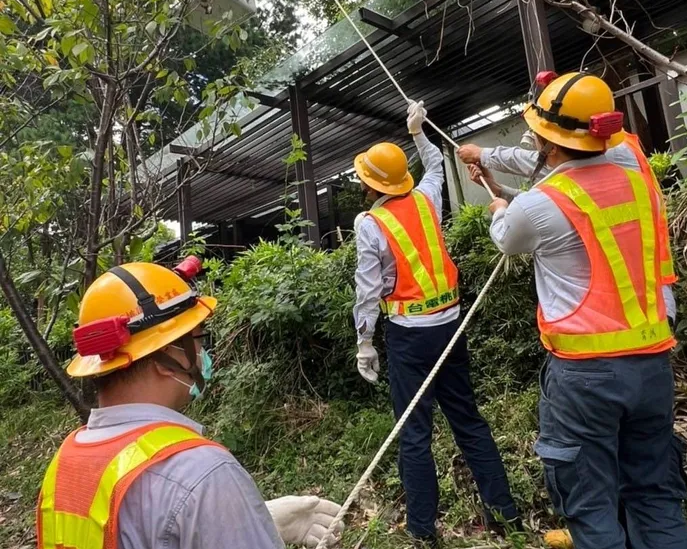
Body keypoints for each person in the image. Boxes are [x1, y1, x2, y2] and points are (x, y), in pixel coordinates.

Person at [458, 72, 687, 549]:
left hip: (585, 378)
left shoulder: (539, 206)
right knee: (654, 495)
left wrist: (498, 204)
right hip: (651, 366)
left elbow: (507, 235)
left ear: (549, 139)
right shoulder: (639, 180)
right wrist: (494, 166)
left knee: (590, 506)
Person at [37, 257, 343, 549]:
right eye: (198, 341)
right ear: (169, 356)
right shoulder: (202, 472)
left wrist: (251, 521)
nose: (203, 355)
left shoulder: (64, 465)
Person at [352, 100, 520, 545]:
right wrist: (418, 132)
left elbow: (368, 291)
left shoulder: (370, 224)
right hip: (451, 327)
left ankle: (423, 532)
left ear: (370, 185)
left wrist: (365, 342)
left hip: (410, 337)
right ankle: (507, 518)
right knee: (468, 421)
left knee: (414, 433)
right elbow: (433, 163)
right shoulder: (426, 197)